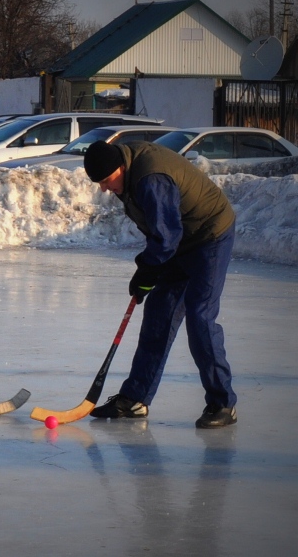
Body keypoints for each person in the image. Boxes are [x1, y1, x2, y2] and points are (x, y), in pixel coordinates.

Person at [83, 140, 237, 429]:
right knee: (158, 315)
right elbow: (161, 230)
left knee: (200, 317)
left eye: (106, 180)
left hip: (209, 235)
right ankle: (135, 399)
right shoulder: (126, 173)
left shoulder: (151, 178)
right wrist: (149, 270)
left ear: (120, 167)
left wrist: (148, 270)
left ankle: (223, 402)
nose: (104, 188)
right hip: (180, 241)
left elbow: (167, 234)